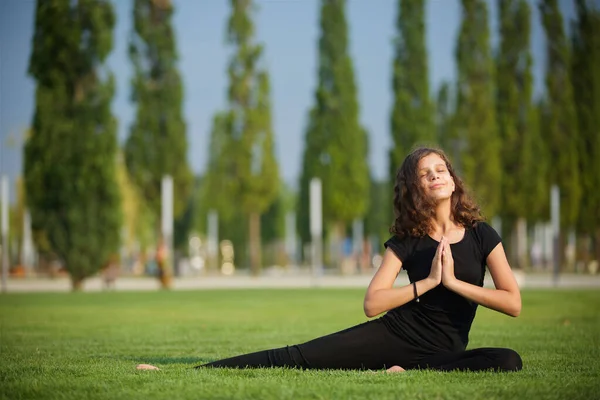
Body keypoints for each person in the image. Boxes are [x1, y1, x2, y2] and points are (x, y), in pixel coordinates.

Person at [137, 147, 522, 373]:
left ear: (453, 180)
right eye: (426, 174)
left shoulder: (481, 235)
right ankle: (194, 371)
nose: (436, 176)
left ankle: (411, 372)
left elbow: (513, 302)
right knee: (296, 357)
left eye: (441, 170)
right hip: (395, 335)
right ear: (416, 188)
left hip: (448, 351)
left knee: (508, 359)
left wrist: (454, 283)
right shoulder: (408, 241)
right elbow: (373, 303)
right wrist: (427, 282)